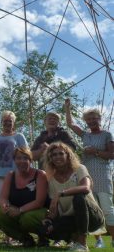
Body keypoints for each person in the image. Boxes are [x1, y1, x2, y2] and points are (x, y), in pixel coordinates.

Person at [65, 99, 114, 248]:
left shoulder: (107, 135)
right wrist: (67, 108)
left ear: (99, 119)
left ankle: (113, 238)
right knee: (91, 207)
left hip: (103, 175)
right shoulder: (85, 135)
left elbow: (111, 154)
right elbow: (71, 124)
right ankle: (98, 239)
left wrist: (96, 152)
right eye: (88, 119)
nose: (92, 121)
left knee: (107, 208)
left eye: (94, 118)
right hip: (87, 177)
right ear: (86, 122)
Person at [40, 142, 104, 251]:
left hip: (93, 217)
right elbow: (55, 209)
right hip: (72, 218)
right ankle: (73, 240)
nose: (57, 157)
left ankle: (83, 244)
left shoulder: (79, 168)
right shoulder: (50, 179)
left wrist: (61, 193)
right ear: (50, 158)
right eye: (54, 155)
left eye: (61, 153)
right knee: (45, 230)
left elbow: (86, 188)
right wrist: (49, 219)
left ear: (68, 155)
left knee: (79, 197)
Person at [0, 147, 48, 247]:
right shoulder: (10, 175)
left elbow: (39, 202)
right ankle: (25, 239)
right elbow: (2, 198)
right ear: (14, 160)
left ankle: (43, 238)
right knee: (0, 212)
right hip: (17, 211)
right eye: (18, 158)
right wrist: (5, 206)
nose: (22, 161)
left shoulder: (40, 174)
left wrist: (20, 210)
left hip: (38, 212)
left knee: (27, 218)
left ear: (31, 160)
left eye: (25, 158)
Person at [0, 110, 28, 198]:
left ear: (13, 123)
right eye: (5, 121)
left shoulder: (19, 136)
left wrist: (27, 172)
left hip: (16, 174)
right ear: (1, 122)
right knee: (3, 201)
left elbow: (27, 155)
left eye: (10, 121)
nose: (8, 123)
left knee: (17, 199)